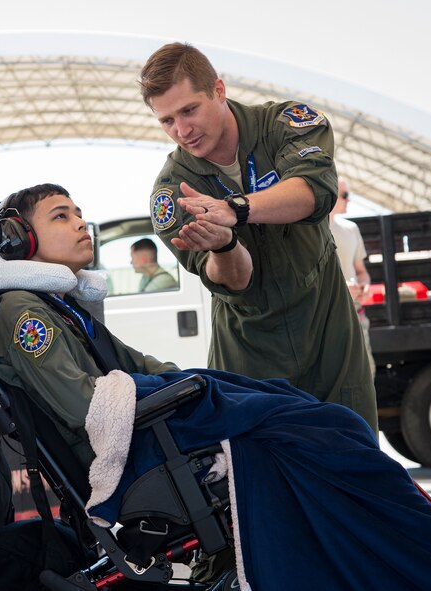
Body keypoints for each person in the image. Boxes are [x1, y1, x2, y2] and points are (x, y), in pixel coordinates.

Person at [0, 184, 431, 590]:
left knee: (316, 419)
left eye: (79, 212)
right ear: (21, 240)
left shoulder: (60, 306)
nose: (80, 222)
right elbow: (85, 406)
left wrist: (190, 382)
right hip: (132, 454)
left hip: (145, 435)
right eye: (61, 216)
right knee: (325, 431)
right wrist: (181, 390)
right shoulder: (24, 313)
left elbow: (136, 365)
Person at [137, 42, 377, 432]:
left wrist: (236, 209)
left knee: (356, 454)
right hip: (250, 354)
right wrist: (225, 245)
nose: (182, 131)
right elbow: (236, 280)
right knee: (264, 466)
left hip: (328, 333)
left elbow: (314, 190)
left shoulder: (285, 125)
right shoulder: (173, 191)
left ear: (218, 90)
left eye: (189, 110)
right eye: (166, 120)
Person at [329, 177, 376, 377]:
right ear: (331, 193)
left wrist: (364, 285)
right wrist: (342, 289)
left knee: (366, 374)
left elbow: (361, 271)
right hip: (329, 319)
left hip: (357, 316)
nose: (349, 199)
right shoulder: (310, 232)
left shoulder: (351, 229)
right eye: (345, 194)